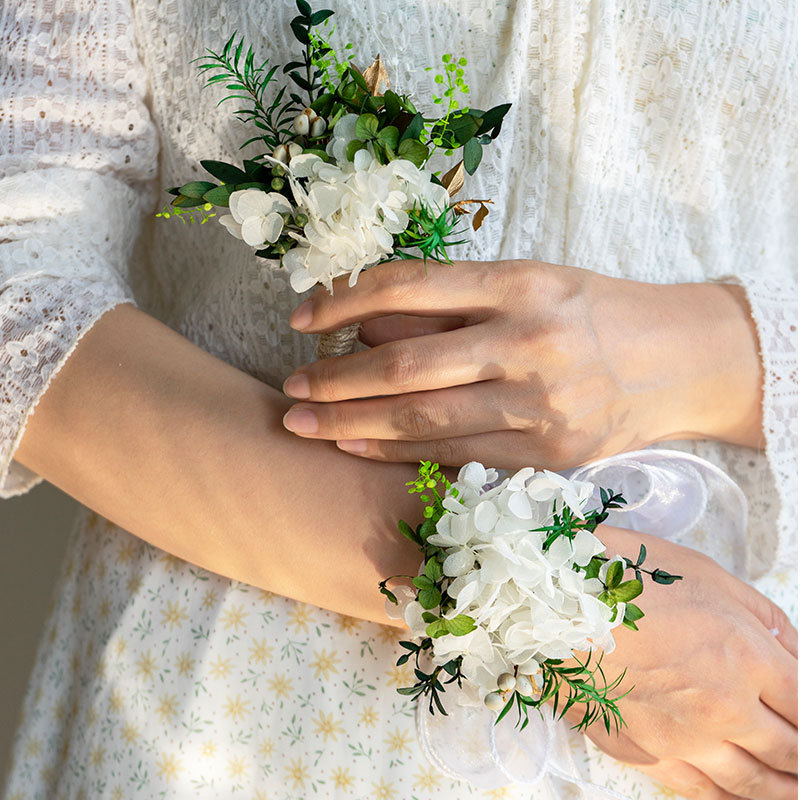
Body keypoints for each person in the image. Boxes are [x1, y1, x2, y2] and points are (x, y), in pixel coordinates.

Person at [0, 1, 795, 798]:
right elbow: (21, 291)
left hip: (725, 696)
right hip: (242, 712)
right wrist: (551, 598)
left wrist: (706, 354)